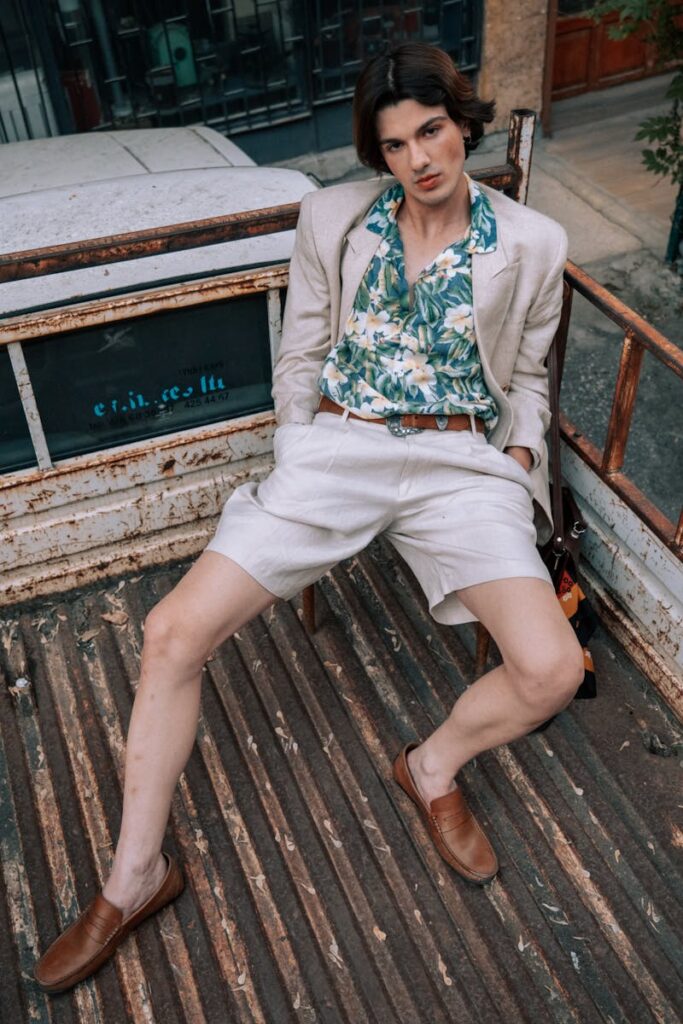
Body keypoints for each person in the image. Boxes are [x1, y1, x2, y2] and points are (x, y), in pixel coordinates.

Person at [34, 43, 584, 993]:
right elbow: (302, 349)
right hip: (339, 450)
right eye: (395, 143)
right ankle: (135, 878)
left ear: (462, 125)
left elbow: (526, 378)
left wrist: (518, 462)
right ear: (376, 156)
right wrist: (301, 442)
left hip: (460, 462)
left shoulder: (532, 243)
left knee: (551, 670)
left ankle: (432, 766)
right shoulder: (333, 217)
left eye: (432, 131)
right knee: (170, 634)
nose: (419, 158)